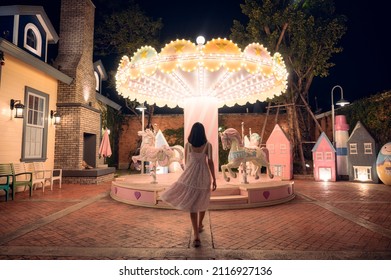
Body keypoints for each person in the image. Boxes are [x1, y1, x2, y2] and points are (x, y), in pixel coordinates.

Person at [160, 122, 217, 248]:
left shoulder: (188, 145)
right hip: (204, 176)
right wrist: (214, 179)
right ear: (203, 132)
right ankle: (200, 224)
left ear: (192, 132)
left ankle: (196, 235)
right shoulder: (208, 145)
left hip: (191, 176)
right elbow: (211, 162)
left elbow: (187, 162)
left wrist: (185, 176)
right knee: (203, 202)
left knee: (192, 205)